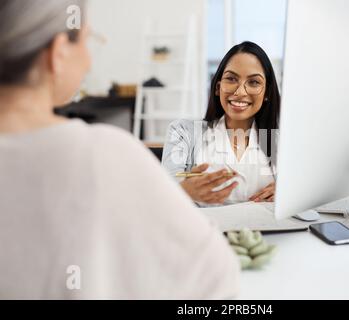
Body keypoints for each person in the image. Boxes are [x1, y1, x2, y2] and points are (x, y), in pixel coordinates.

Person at [0, 0, 239, 299]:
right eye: (87, 40)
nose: (89, 60)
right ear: (58, 52)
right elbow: (214, 275)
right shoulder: (103, 154)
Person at [163, 41, 281, 207]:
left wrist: (287, 192)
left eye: (254, 82)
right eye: (231, 79)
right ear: (218, 87)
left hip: (268, 232)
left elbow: (305, 188)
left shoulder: (280, 140)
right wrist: (184, 190)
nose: (240, 92)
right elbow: (163, 192)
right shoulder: (183, 132)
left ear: (267, 92)